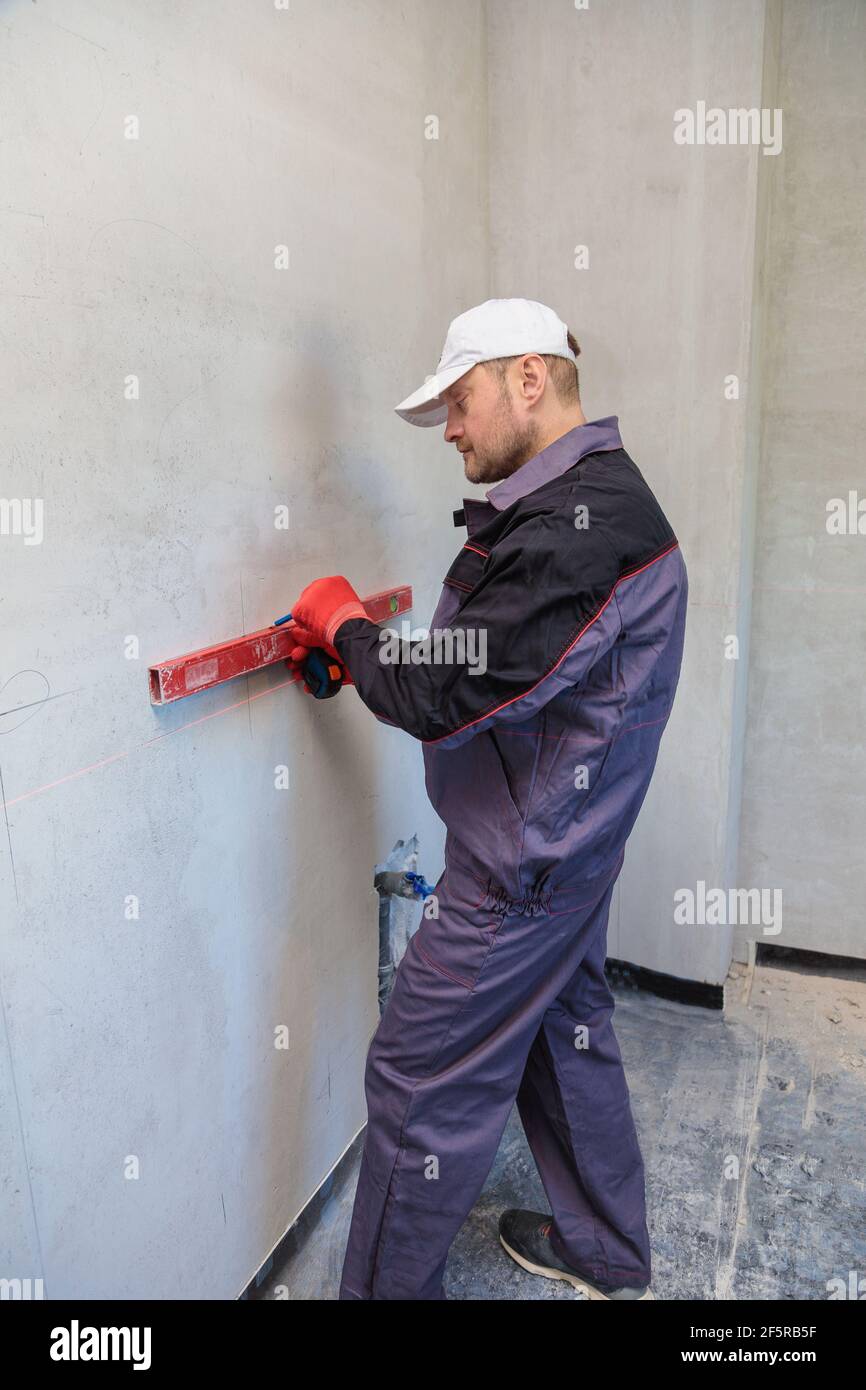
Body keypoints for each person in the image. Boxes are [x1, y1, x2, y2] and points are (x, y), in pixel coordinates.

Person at [287, 298, 688, 1301]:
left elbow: (445, 691)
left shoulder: (573, 530)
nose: (452, 430)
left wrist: (342, 624)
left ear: (526, 378)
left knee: (416, 1088)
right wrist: (364, 653)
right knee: (566, 1032)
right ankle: (604, 1249)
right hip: (574, 854)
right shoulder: (600, 502)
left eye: (457, 402)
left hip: (520, 873)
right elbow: (510, 666)